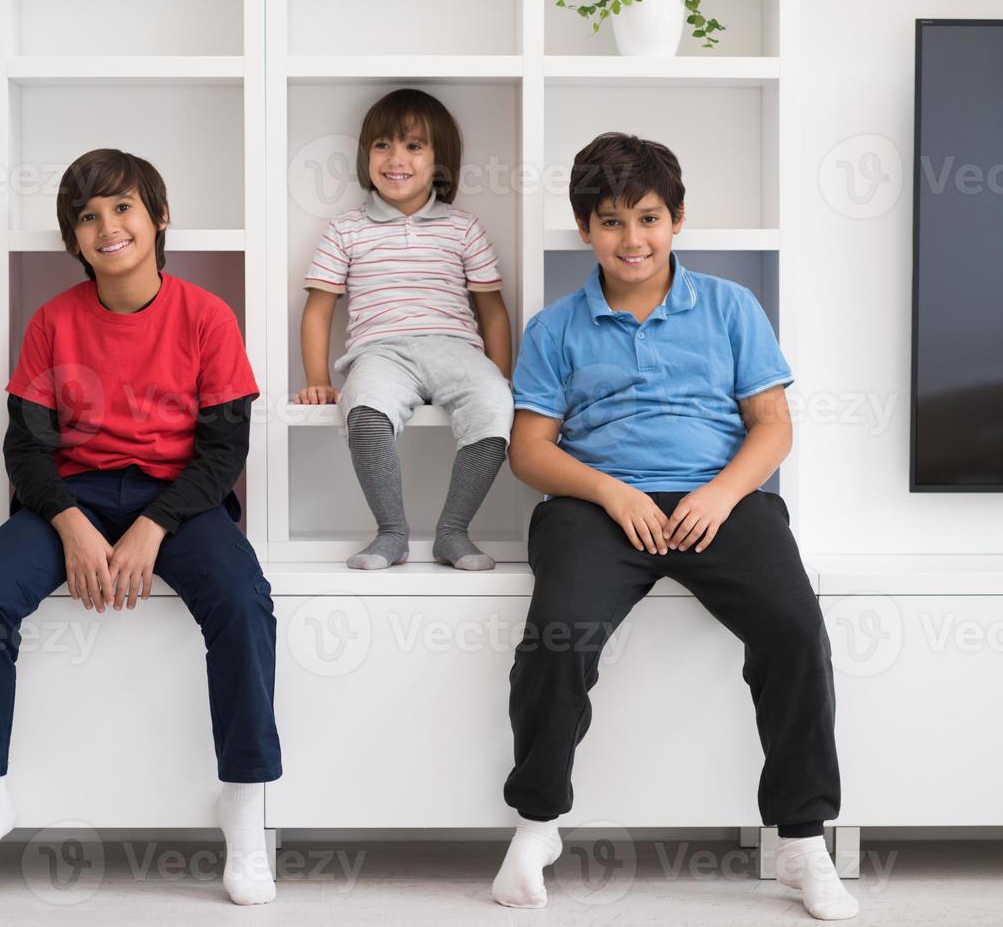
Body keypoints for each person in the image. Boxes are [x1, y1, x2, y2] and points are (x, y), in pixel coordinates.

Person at [491, 133, 858, 920]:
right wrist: (611, 493)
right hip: (593, 508)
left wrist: (722, 495)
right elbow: (528, 452)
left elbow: (771, 424)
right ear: (586, 229)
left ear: (678, 218)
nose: (633, 240)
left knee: (795, 630)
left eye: (649, 219)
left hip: (717, 500)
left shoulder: (729, 307)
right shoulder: (556, 328)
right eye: (613, 222)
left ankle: (801, 840)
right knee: (555, 636)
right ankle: (537, 823)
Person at [0, 148, 280, 907]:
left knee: (243, 601)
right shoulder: (52, 322)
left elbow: (225, 448)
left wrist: (152, 526)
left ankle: (245, 806)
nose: (106, 227)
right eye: (87, 217)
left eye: (122, 208)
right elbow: (24, 445)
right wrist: (72, 526)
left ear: (158, 219)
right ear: (74, 239)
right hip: (71, 494)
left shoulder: (205, 316)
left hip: (179, 500)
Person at [295, 88, 515, 570]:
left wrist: (500, 374)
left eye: (414, 146)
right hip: (380, 353)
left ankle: (453, 533)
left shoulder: (464, 227)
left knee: (497, 407)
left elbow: (492, 311)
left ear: (440, 160)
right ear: (365, 155)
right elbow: (319, 309)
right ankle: (391, 532)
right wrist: (318, 380)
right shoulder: (346, 229)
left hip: (456, 350)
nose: (396, 159)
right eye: (382, 146)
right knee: (366, 411)